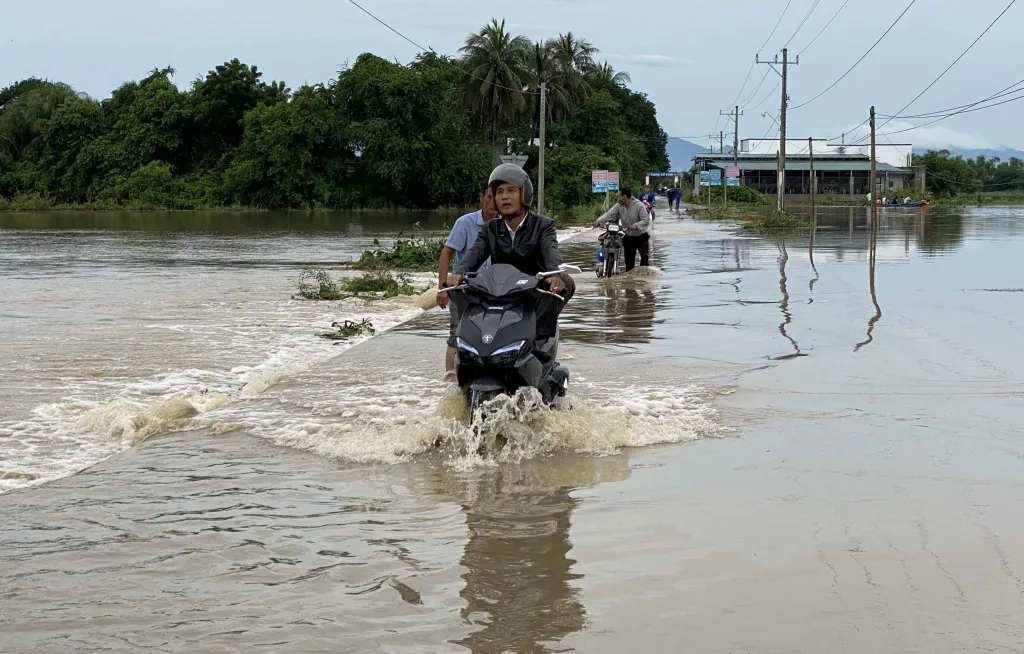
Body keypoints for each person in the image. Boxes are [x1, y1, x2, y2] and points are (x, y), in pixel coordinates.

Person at [447, 163, 575, 348]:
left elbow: (551, 252)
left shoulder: (543, 225)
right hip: (499, 292)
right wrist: (458, 273)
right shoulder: (490, 228)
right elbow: (474, 253)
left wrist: (554, 275)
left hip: (534, 291)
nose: (505, 196)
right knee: (456, 288)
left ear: (524, 194)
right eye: (499, 192)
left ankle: (540, 341)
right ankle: (471, 340)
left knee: (566, 282)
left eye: (511, 190)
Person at [437, 186, 497, 379]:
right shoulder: (465, 223)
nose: (492, 202)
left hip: (494, 291)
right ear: (482, 198)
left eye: (495, 198)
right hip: (463, 289)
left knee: (490, 336)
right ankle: (450, 381)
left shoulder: (503, 225)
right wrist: (443, 288)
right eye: (489, 197)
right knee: (457, 334)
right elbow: (446, 253)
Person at [593, 187, 651, 271]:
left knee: (644, 259)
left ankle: (644, 281)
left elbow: (646, 220)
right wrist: (599, 220)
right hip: (629, 236)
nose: (618, 198)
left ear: (625, 196)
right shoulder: (619, 205)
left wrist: (636, 225)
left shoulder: (639, 205)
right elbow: (609, 214)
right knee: (629, 263)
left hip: (641, 236)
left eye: (619, 195)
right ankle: (630, 281)